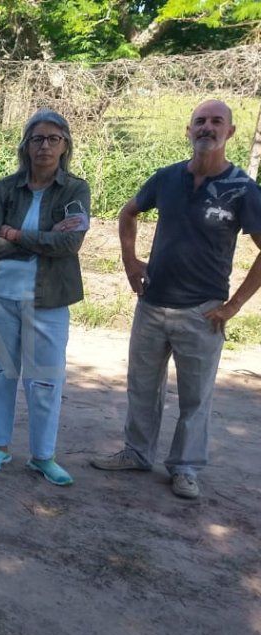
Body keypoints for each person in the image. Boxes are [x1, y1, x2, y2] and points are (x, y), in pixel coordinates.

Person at [91, 99, 261, 499]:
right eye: (200, 121)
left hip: (203, 311)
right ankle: (137, 453)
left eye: (216, 121)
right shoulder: (167, 178)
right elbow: (128, 213)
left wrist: (234, 305)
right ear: (188, 130)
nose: (207, 127)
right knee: (141, 386)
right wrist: (130, 263)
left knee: (195, 396)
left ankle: (185, 468)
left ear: (230, 132)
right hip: (152, 304)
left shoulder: (242, 188)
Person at [0, 109, 91, 486]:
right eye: (37, 138)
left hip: (49, 299)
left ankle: (43, 456)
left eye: (53, 139)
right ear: (26, 145)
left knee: (45, 380)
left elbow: (70, 243)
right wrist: (42, 239)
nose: (44, 146)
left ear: (65, 145)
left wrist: (16, 235)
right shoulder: (5, 188)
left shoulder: (75, 189)